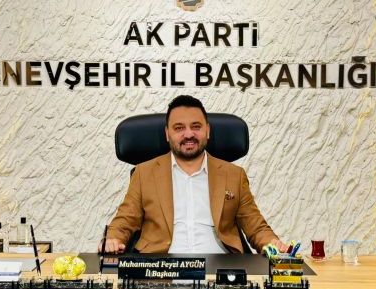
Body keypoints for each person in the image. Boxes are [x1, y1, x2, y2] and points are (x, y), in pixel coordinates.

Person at [103, 94, 288, 255]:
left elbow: (256, 227)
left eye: (196, 126)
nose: (188, 134)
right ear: (167, 134)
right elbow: (125, 220)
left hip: (219, 267)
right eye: (179, 128)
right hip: (162, 268)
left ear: (207, 130)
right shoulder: (144, 173)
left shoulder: (234, 175)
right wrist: (112, 239)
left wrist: (272, 244)